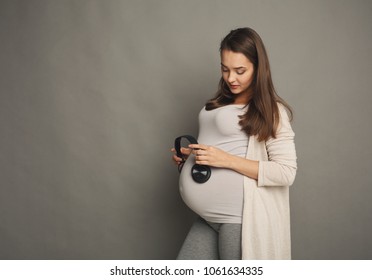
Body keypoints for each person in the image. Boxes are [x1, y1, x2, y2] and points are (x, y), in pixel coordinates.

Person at [171, 27, 297, 260]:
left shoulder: (271, 111)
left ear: (258, 68)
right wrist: (190, 159)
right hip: (209, 218)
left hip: (239, 219)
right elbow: (222, 145)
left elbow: (286, 172)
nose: (230, 78)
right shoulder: (221, 102)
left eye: (240, 71)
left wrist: (225, 160)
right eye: (225, 69)